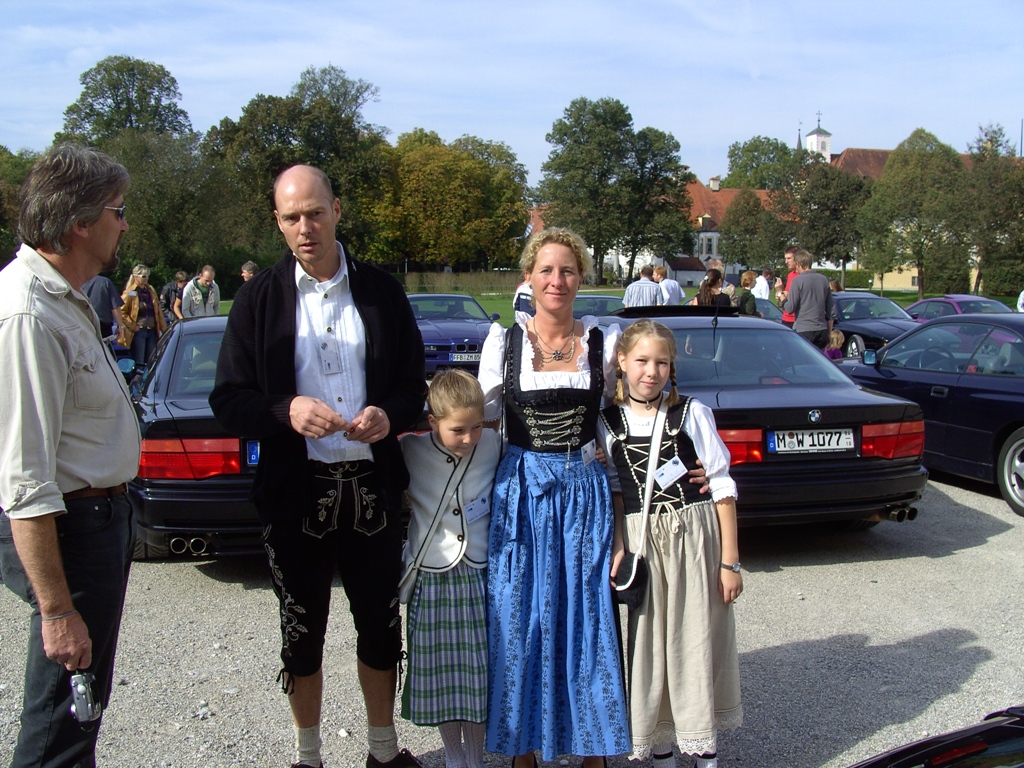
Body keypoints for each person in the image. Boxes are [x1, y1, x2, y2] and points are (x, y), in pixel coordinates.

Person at [209, 164, 426, 768]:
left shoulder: (381, 291)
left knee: (380, 627)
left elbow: (413, 385)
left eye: (314, 213)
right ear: (278, 223)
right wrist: (286, 410)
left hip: (372, 486)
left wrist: (389, 414)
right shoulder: (257, 299)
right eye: (291, 217)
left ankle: (383, 751)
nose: (305, 227)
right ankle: (308, 758)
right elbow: (228, 400)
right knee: (302, 632)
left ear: (336, 211)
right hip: (296, 492)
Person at [0, 144, 140, 767]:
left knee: (80, 714)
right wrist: (57, 610)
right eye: (118, 211)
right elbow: (25, 479)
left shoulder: (65, 297)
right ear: (81, 222)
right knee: (62, 716)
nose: (124, 225)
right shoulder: (28, 312)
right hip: (72, 528)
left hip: (98, 521)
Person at [478, 227, 629, 767]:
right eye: (546, 270)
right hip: (521, 494)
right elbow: (478, 425)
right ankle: (523, 751)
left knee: (586, 616)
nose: (556, 280)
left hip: (584, 493)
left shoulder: (604, 344)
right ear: (529, 277)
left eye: (567, 270)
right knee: (520, 617)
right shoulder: (504, 344)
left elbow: (630, 419)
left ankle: (593, 750)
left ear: (581, 278)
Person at [600, 319, 742, 768]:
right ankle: (661, 750)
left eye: (662, 363)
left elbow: (721, 487)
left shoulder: (691, 414)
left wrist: (730, 562)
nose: (651, 371)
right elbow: (616, 492)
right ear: (621, 361)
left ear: (672, 367)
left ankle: (704, 751)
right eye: (642, 360)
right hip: (643, 542)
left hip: (693, 538)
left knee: (696, 640)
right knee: (650, 645)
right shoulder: (608, 423)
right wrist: (619, 547)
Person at [398, 369, 500, 768]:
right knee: (442, 677)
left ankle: (475, 757)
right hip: (432, 575)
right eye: (458, 430)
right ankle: (454, 757)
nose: (470, 438)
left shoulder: (495, 443)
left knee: (476, 675)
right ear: (432, 421)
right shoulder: (409, 449)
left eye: (476, 427)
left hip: (479, 574)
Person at [781, 248, 835, 350]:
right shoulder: (823, 279)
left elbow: (789, 308)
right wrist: (829, 332)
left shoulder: (797, 281)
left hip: (803, 329)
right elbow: (831, 310)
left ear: (798, 264)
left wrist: (782, 298)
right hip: (821, 329)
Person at [119, 263, 167, 368]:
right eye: (144, 276)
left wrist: (164, 330)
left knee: (151, 362)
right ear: (136, 277)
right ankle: (137, 378)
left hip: (152, 330)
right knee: (139, 362)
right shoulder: (130, 292)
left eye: (148, 276)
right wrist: (133, 326)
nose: (146, 279)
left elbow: (158, 312)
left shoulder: (151, 291)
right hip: (139, 331)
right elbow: (121, 311)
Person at [81, 272, 126, 338]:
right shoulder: (105, 282)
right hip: (103, 325)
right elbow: (115, 307)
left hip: (83, 322)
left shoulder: (78, 282)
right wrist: (120, 326)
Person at [774, 245, 799, 327]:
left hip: (796, 319)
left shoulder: (802, 276)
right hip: (786, 317)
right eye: (785, 258)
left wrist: (785, 294)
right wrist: (780, 294)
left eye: (789, 258)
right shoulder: (790, 275)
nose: (786, 262)